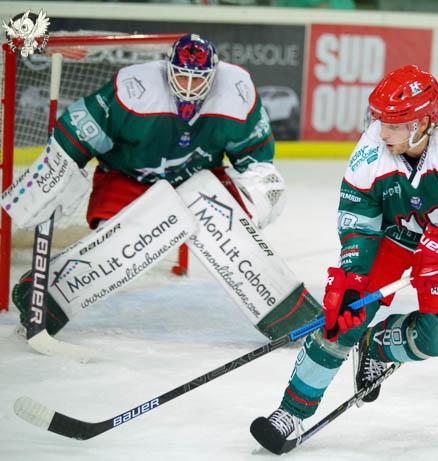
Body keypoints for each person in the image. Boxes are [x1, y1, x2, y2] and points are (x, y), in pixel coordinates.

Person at [249, 65, 438, 453]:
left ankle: (378, 345)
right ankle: (291, 412)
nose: (382, 132)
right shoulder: (369, 153)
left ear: (424, 122)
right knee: (344, 315)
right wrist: (352, 276)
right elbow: (358, 222)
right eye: (380, 121)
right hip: (393, 236)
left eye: (394, 125)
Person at [4, 33, 286, 337]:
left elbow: (257, 160)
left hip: (196, 185)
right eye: (182, 76)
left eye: (198, 79)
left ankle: (278, 302)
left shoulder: (237, 91)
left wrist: (254, 202)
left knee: (269, 189)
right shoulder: (135, 87)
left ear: (213, 74)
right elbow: (81, 129)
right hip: (127, 179)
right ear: (168, 68)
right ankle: (45, 290)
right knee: (117, 245)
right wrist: (57, 171)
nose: (189, 87)